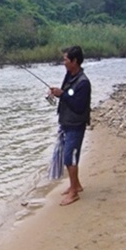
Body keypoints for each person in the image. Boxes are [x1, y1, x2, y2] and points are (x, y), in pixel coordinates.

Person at [49, 46, 91, 206]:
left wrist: (63, 95)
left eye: (66, 59)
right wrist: (57, 93)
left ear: (74, 61)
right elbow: (66, 96)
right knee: (69, 156)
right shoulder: (70, 75)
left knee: (70, 158)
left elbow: (79, 106)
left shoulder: (83, 83)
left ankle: (73, 193)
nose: (64, 62)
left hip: (76, 125)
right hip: (66, 123)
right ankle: (76, 185)